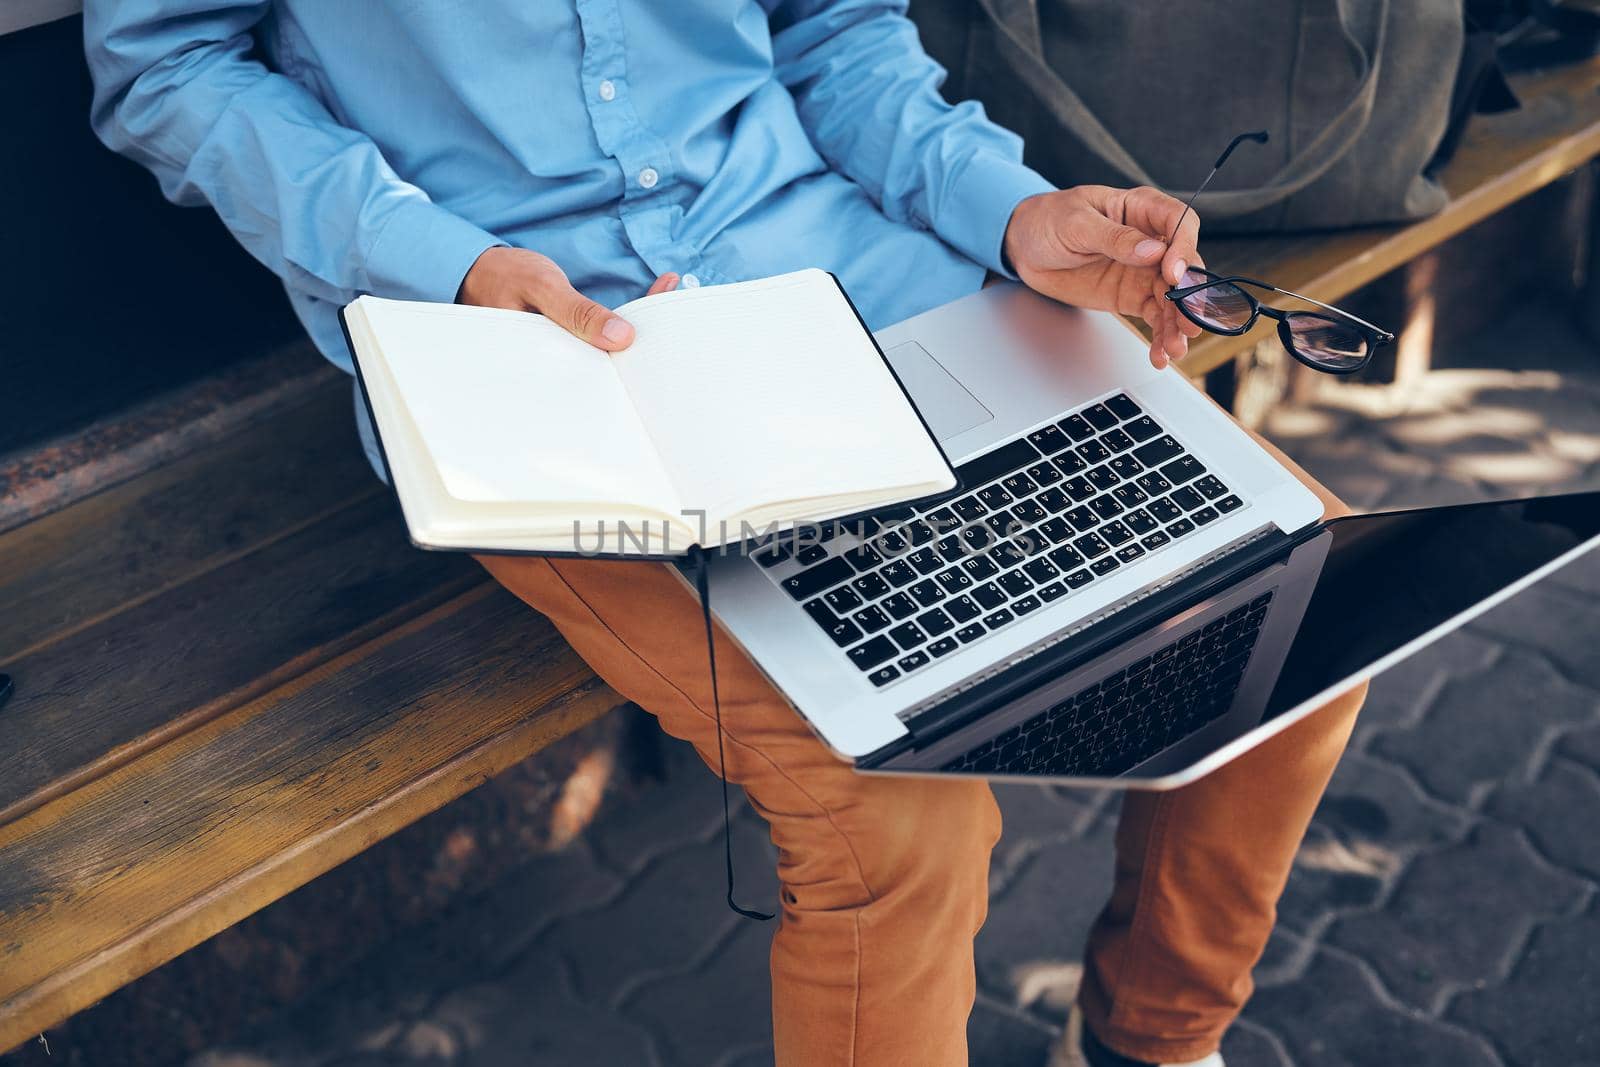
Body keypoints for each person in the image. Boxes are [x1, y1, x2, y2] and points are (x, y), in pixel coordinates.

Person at [84, 3, 1364, 1064]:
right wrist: (438, 258)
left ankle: (1154, 1035)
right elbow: (166, 67)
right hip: (529, 354)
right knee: (892, 817)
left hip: (858, 276)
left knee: (1303, 581)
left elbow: (839, 35)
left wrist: (1011, 212)